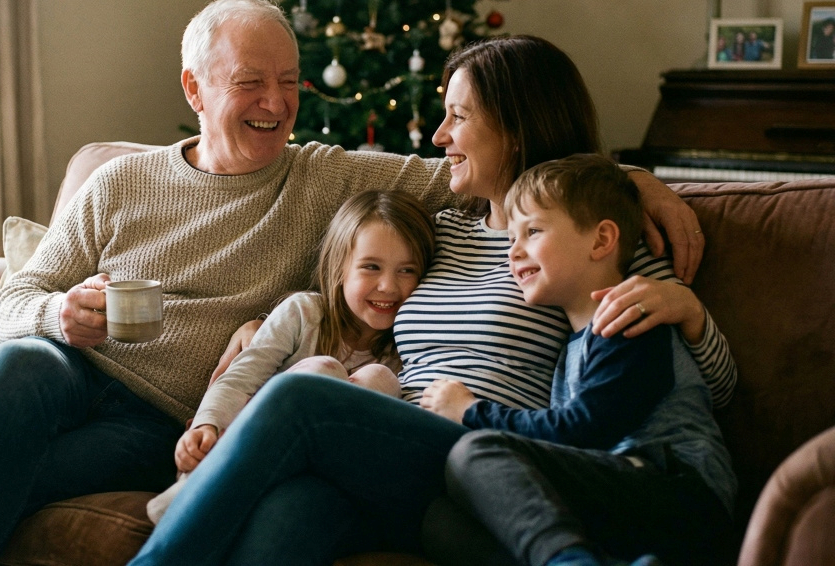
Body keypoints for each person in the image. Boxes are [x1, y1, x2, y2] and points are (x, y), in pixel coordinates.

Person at [0, 0, 708, 566]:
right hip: (78, 370)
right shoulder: (120, 182)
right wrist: (59, 313)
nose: (275, 103)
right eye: (250, 83)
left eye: (289, 82)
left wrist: (634, 182)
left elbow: (524, 182)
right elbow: (12, 304)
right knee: (12, 374)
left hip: (177, 421)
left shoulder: (333, 179)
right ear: (195, 89)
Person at [128, 35, 734, 566]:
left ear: (516, 128)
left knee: (300, 399)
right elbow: (361, 285)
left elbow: (706, 387)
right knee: (295, 509)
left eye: (458, 117)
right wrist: (265, 321)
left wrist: (690, 310)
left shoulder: (582, 245)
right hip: (392, 444)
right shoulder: (441, 230)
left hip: (490, 456)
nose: (440, 136)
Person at [424, 154, 736, 566]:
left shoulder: (630, 322)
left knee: (477, 453)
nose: (513, 252)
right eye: (511, 238)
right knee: (442, 523)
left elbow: (582, 431)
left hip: (681, 494)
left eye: (532, 231)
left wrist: (471, 411)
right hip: (616, 491)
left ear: (601, 241)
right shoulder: (573, 345)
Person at [146, 189, 438, 524]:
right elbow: (240, 379)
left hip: (314, 479)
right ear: (340, 268)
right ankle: (201, 488)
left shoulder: (409, 351)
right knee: (323, 372)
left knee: (378, 379)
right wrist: (206, 426)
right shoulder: (303, 313)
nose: (388, 286)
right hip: (251, 447)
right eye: (371, 267)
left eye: (407, 270)